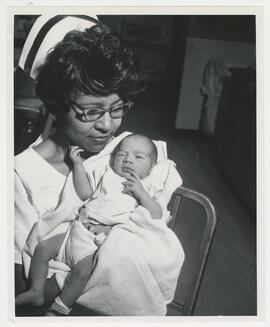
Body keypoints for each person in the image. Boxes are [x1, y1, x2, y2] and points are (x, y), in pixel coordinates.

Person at [15, 15, 184, 316]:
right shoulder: (21, 177)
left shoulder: (123, 151)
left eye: (117, 108)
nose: (107, 125)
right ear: (56, 105)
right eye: (91, 112)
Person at [16, 134, 167, 315]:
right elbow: (84, 192)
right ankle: (35, 291)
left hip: (95, 243)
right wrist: (78, 164)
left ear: (150, 168)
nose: (128, 160)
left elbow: (155, 214)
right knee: (42, 248)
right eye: (122, 154)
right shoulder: (107, 174)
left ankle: (60, 307)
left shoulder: (145, 187)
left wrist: (141, 193)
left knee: (81, 274)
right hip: (75, 230)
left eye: (138, 157)